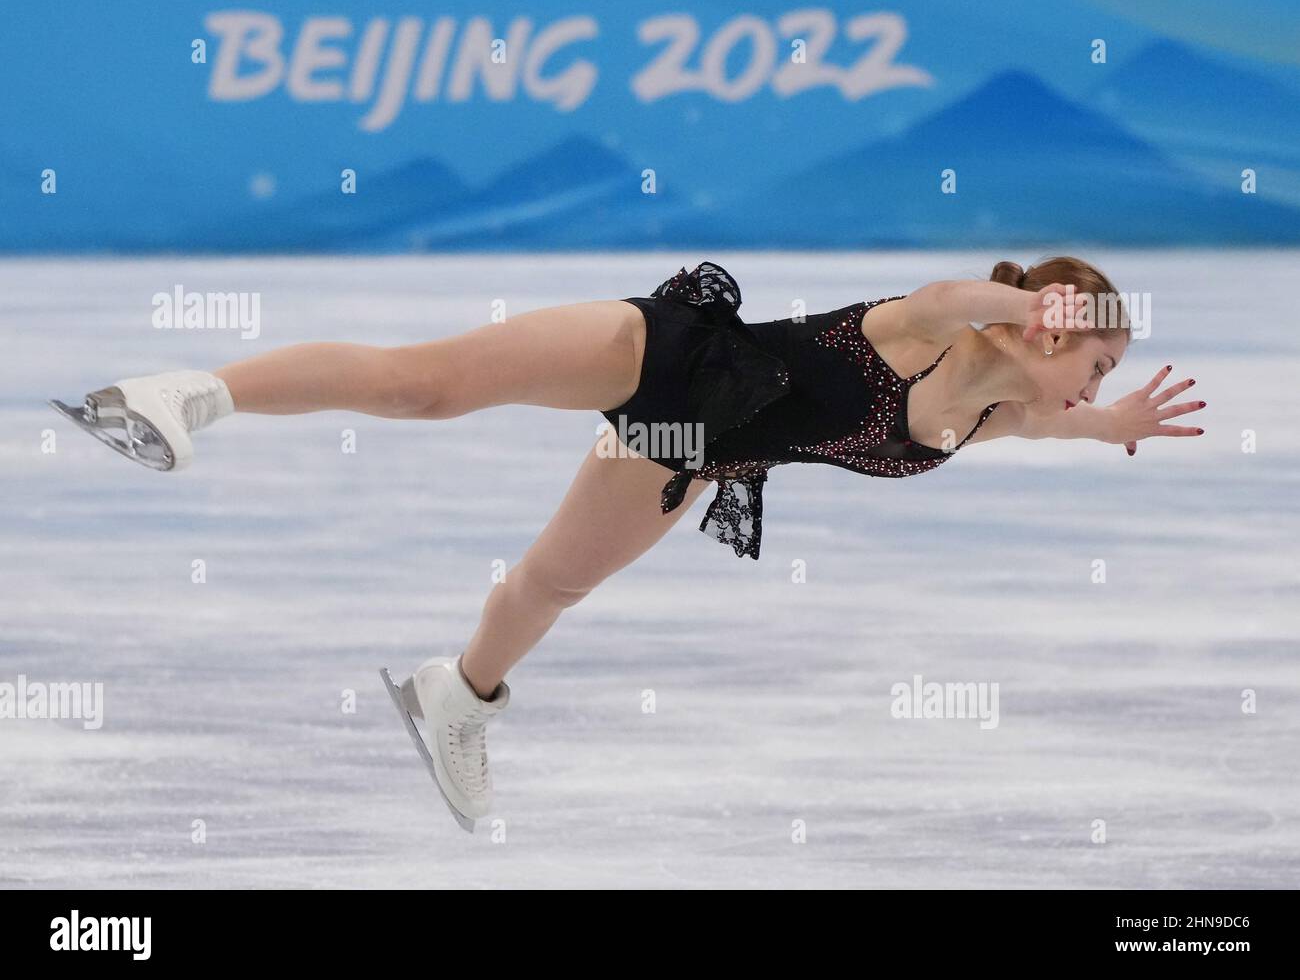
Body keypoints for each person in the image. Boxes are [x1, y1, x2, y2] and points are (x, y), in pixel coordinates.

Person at [49, 258, 1204, 829]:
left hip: (683, 444)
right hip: (664, 358)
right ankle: (186, 394)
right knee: (426, 388)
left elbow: (1066, 420)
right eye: (1093, 353)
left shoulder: (1000, 413)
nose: (1096, 377)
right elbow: (953, 295)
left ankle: (454, 697)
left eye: (1101, 367)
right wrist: (1038, 309)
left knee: (552, 583)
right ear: (1039, 324)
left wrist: (1113, 425)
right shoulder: (935, 330)